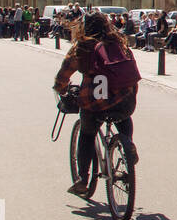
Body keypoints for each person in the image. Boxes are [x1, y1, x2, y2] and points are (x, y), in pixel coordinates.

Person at [54, 12, 140, 196]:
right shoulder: (119, 43)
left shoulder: (83, 47)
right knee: (123, 117)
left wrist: (61, 88)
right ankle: (128, 145)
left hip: (95, 102)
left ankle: (83, 180)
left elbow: (65, 73)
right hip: (124, 99)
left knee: (86, 134)